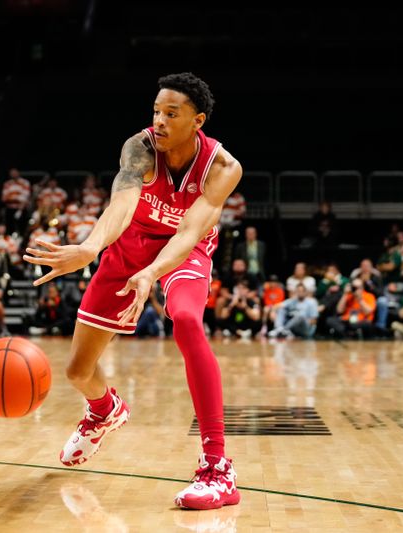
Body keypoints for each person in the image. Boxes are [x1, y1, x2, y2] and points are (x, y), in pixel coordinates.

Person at [24, 73, 242, 510]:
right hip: (132, 241)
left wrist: (154, 273)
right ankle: (104, 410)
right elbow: (121, 205)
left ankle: (218, 468)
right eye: (156, 111)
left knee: (184, 320)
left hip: (187, 248)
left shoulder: (223, 168)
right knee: (77, 371)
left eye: (171, 114)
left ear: (197, 121)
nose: (159, 121)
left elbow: (190, 231)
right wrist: (89, 247)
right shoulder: (138, 147)